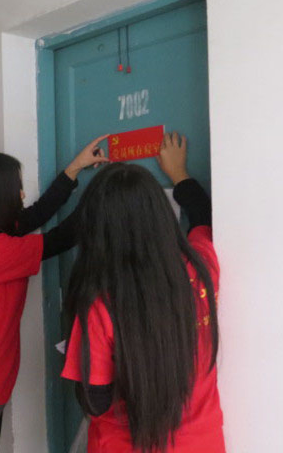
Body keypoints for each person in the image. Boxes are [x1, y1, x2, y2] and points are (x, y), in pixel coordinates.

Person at [0, 136, 109, 453]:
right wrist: (107, 191)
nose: (23, 194)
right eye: (17, 188)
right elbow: (60, 238)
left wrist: (75, 168)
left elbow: (34, 216)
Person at [62, 133, 224, 452]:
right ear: (161, 215)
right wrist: (179, 175)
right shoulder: (202, 268)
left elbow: (95, 401)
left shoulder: (100, 304)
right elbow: (203, 217)